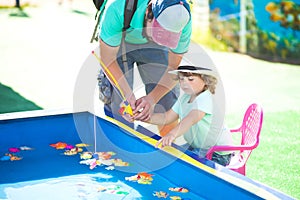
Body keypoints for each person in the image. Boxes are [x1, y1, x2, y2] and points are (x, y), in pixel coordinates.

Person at [97, 0, 192, 135]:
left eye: (168, 36)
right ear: (148, 12)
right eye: (159, 32)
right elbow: (107, 60)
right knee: (119, 109)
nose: (162, 37)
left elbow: (173, 68)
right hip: (119, 40)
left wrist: (152, 98)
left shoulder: (182, 17)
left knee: (166, 105)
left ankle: (168, 151)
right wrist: (127, 93)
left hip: (156, 48)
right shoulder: (117, 7)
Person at [139, 65, 233, 166]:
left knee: (184, 166)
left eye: (191, 79)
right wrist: (143, 117)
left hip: (217, 151)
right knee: (170, 157)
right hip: (196, 146)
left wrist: (172, 134)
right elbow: (167, 117)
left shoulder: (206, 98)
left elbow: (191, 119)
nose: (185, 83)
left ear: (206, 81)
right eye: (181, 79)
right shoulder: (185, 98)